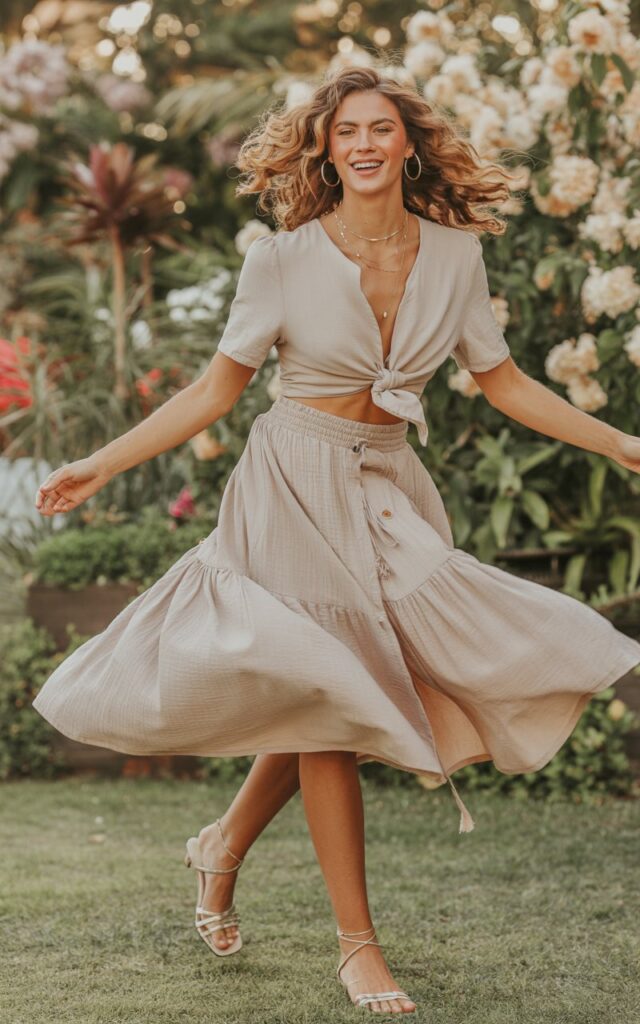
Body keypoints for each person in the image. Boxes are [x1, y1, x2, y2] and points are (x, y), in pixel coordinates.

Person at [32, 66, 640, 1016]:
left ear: (409, 145)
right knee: (329, 701)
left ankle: (222, 845)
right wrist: (99, 465)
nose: (363, 143)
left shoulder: (456, 255)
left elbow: (506, 380)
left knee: (345, 685)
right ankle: (358, 946)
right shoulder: (281, 260)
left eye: (381, 128)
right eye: (346, 130)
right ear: (325, 147)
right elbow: (213, 393)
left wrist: (620, 442)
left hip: (389, 484)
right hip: (290, 480)